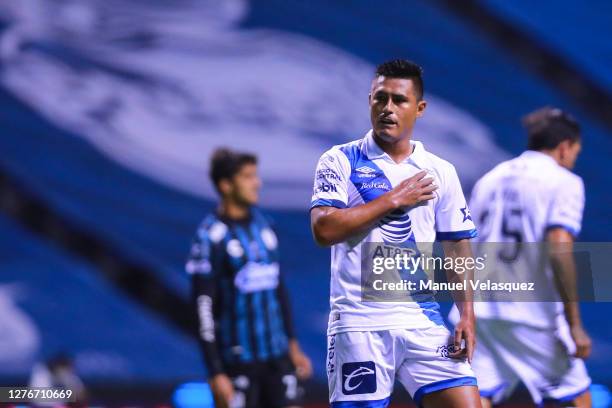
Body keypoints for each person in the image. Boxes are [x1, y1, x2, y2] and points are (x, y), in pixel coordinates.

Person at [310, 59, 481, 408]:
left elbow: (456, 246)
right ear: (369, 100)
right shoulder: (340, 160)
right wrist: (394, 199)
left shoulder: (441, 171)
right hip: (359, 324)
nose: (387, 108)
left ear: (419, 108)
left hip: (422, 318)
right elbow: (324, 229)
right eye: (380, 98)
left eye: (399, 100)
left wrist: (466, 314)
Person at [457, 107, 592, 407]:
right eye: (575, 152)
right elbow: (559, 248)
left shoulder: (490, 179)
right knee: (577, 397)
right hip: (530, 314)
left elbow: (464, 245)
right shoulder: (563, 181)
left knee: (478, 397)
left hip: (481, 310)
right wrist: (575, 324)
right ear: (564, 147)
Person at [187, 148, 312, 408]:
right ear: (225, 185)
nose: (257, 183)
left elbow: (278, 290)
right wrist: (215, 371)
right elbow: (203, 308)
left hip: (278, 359)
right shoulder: (210, 237)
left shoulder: (264, 227)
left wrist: (293, 345)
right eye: (248, 177)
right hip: (237, 363)